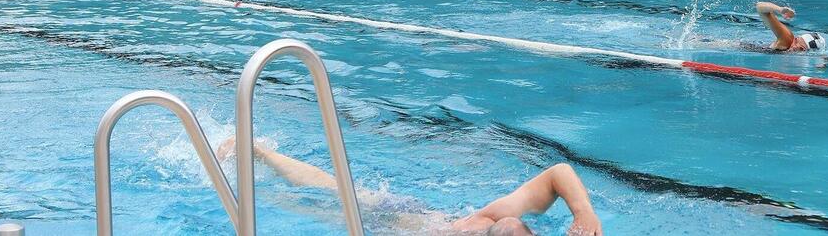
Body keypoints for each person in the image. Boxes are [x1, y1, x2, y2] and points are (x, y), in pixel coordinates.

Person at [216, 137, 602, 235]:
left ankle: (258, 153)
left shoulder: (500, 219)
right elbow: (558, 172)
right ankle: (256, 152)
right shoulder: (491, 217)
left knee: (334, 189)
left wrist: (583, 212)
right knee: (325, 195)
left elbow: (558, 174)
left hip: (415, 212)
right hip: (396, 221)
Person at [755, 1, 826, 52]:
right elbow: (759, 6)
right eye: (795, 41)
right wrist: (780, 9)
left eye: (801, 49)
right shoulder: (787, 40)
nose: (794, 47)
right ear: (795, 38)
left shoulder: (803, 60)